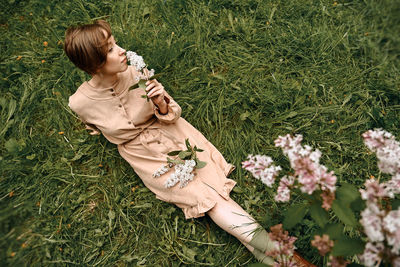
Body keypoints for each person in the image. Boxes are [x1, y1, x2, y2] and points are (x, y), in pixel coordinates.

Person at [64, 20, 313, 266]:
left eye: (115, 42)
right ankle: (286, 256)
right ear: (93, 64)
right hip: (146, 157)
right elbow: (97, 126)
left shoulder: (135, 69)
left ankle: (283, 258)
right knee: (207, 199)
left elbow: (171, 112)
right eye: (109, 49)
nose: (121, 50)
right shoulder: (80, 103)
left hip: (173, 133)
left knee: (216, 199)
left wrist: (160, 102)